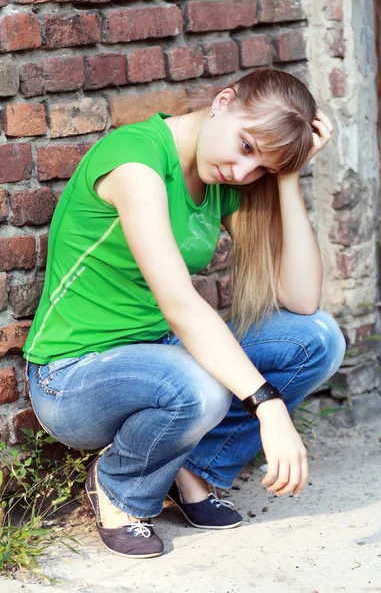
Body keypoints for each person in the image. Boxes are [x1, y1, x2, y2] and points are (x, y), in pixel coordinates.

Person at [24, 67, 346, 559]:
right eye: (245, 146)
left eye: (260, 166)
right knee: (201, 385)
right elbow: (179, 304)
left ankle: (195, 471)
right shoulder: (137, 161)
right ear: (222, 102)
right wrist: (269, 405)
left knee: (318, 337)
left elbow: (301, 299)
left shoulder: (221, 181)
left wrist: (286, 178)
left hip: (158, 355)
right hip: (72, 375)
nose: (243, 173)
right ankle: (120, 489)